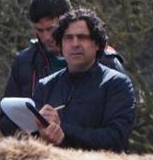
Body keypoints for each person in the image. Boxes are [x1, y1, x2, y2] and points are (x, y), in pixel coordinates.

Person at [0, 0, 126, 136]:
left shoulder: (106, 60)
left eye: (51, 29)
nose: (46, 37)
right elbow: (5, 120)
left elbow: (120, 126)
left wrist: (61, 128)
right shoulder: (25, 62)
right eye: (40, 30)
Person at [31, 8, 135, 152]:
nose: (75, 44)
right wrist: (43, 134)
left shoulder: (117, 84)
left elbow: (116, 138)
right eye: (68, 38)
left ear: (97, 44)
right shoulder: (46, 86)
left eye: (82, 37)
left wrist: (62, 129)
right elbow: (31, 139)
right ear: (61, 45)